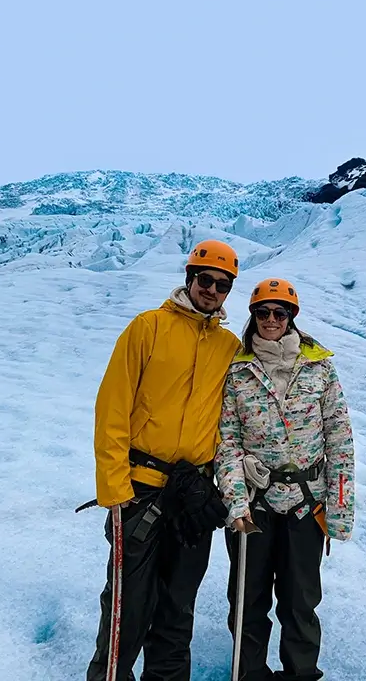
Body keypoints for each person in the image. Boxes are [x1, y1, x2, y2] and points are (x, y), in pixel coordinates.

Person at [87, 239, 241, 681]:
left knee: (177, 611)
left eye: (223, 285)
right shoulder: (148, 327)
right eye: (206, 280)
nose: (212, 290)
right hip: (137, 491)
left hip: (191, 496)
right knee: (126, 610)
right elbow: (112, 409)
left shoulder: (228, 346)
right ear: (190, 279)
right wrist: (114, 490)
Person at [215, 278, 355, 681]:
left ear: (292, 317)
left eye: (280, 313)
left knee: (299, 600)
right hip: (255, 503)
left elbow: (340, 440)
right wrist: (236, 504)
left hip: (306, 502)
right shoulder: (237, 372)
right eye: (263, 312)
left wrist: (340, 511)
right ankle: (250, 673)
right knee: (247, 599)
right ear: (253, 316)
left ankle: (300, 673)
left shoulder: (319, 368)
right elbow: (227, 442)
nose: (271, 320)